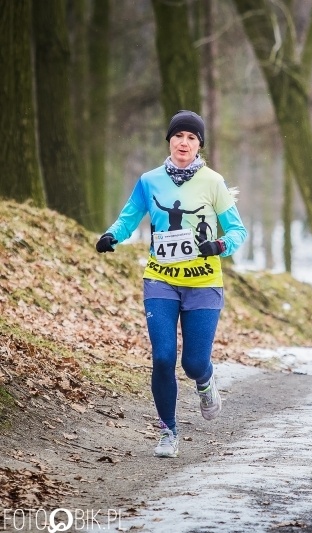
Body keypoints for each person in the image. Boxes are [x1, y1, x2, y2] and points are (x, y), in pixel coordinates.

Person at [95, 110, 247, 458]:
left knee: (193, 363)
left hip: (204, 283)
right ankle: (168, 431)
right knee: (163, 357)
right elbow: (130, 216)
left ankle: (205, 381)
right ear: (169, 140)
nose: (184, 142)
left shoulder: (213, 182)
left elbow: (238, 230)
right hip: (160, 279)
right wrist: (112, 235)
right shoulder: (149, 181)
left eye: (192, 138)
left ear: (199, 146)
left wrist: (221, 245)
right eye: (179, 135)